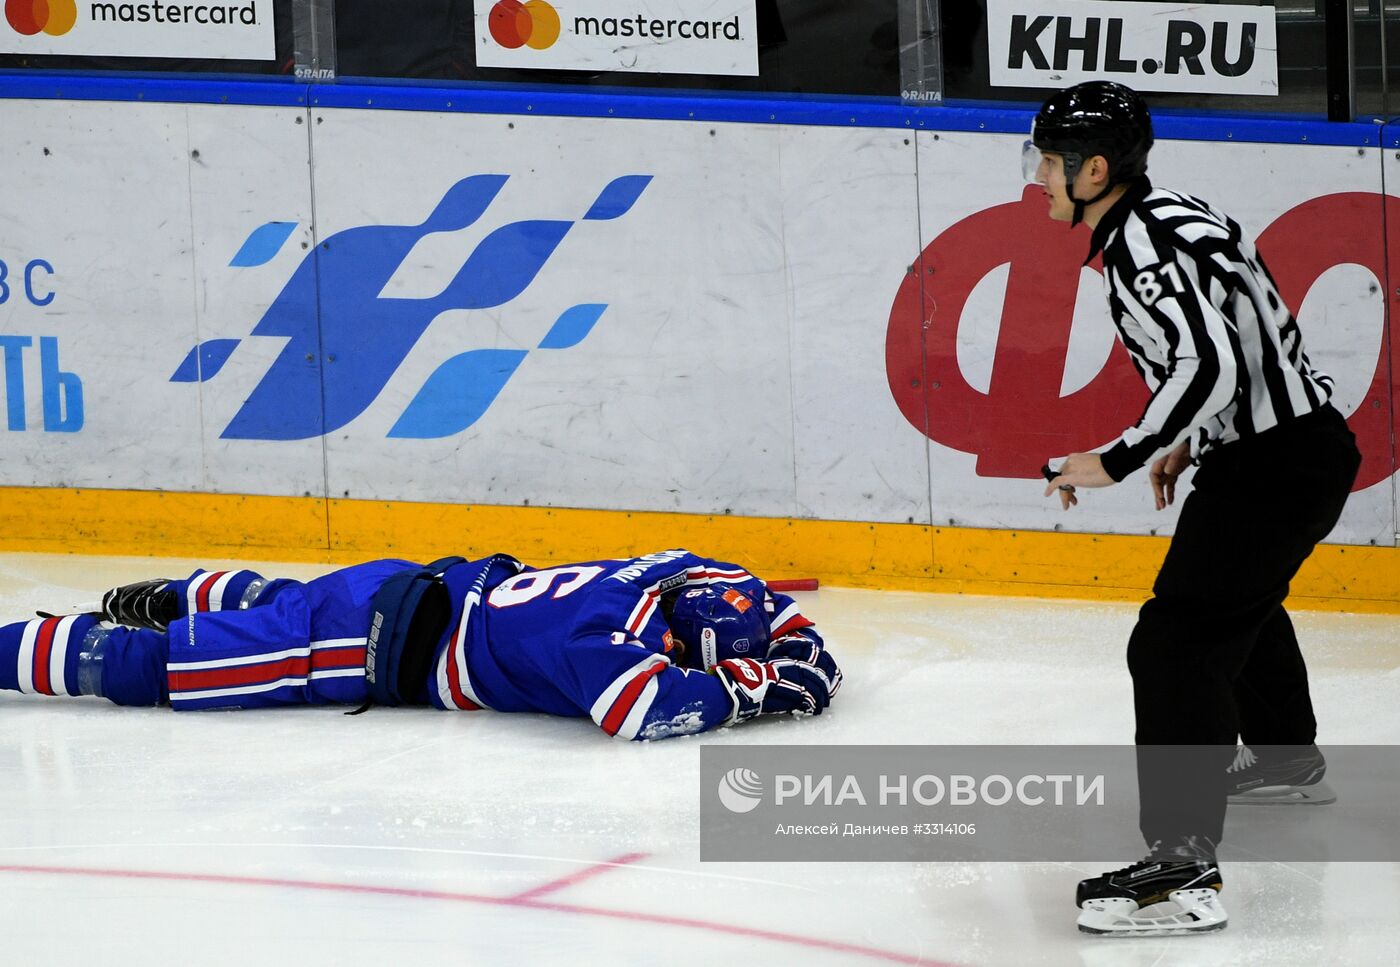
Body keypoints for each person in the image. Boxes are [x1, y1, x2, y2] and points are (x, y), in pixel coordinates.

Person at [1024, 81, 1360, 935]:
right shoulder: (1170, 211)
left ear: (1094, 170)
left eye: (1050, 164)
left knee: (1176, 640)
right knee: (1235, 596)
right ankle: (1284, 751)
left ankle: (1179, 868)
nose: (1039, 180)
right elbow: (1243, 345)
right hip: (1295, 447)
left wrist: (1123, 453)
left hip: (1275, 463)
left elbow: (1206, 363)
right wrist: (1196, 438)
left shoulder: (1139, 242)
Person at [0, 549, 841, 742]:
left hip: (409, 584)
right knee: (161, 669)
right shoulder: (601, 639)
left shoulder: (673, 571)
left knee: (285, 603)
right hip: (370, 644)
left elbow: (758, 604)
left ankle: (190, 592)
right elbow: (639, 707)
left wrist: (781, 649)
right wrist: (757, 688)